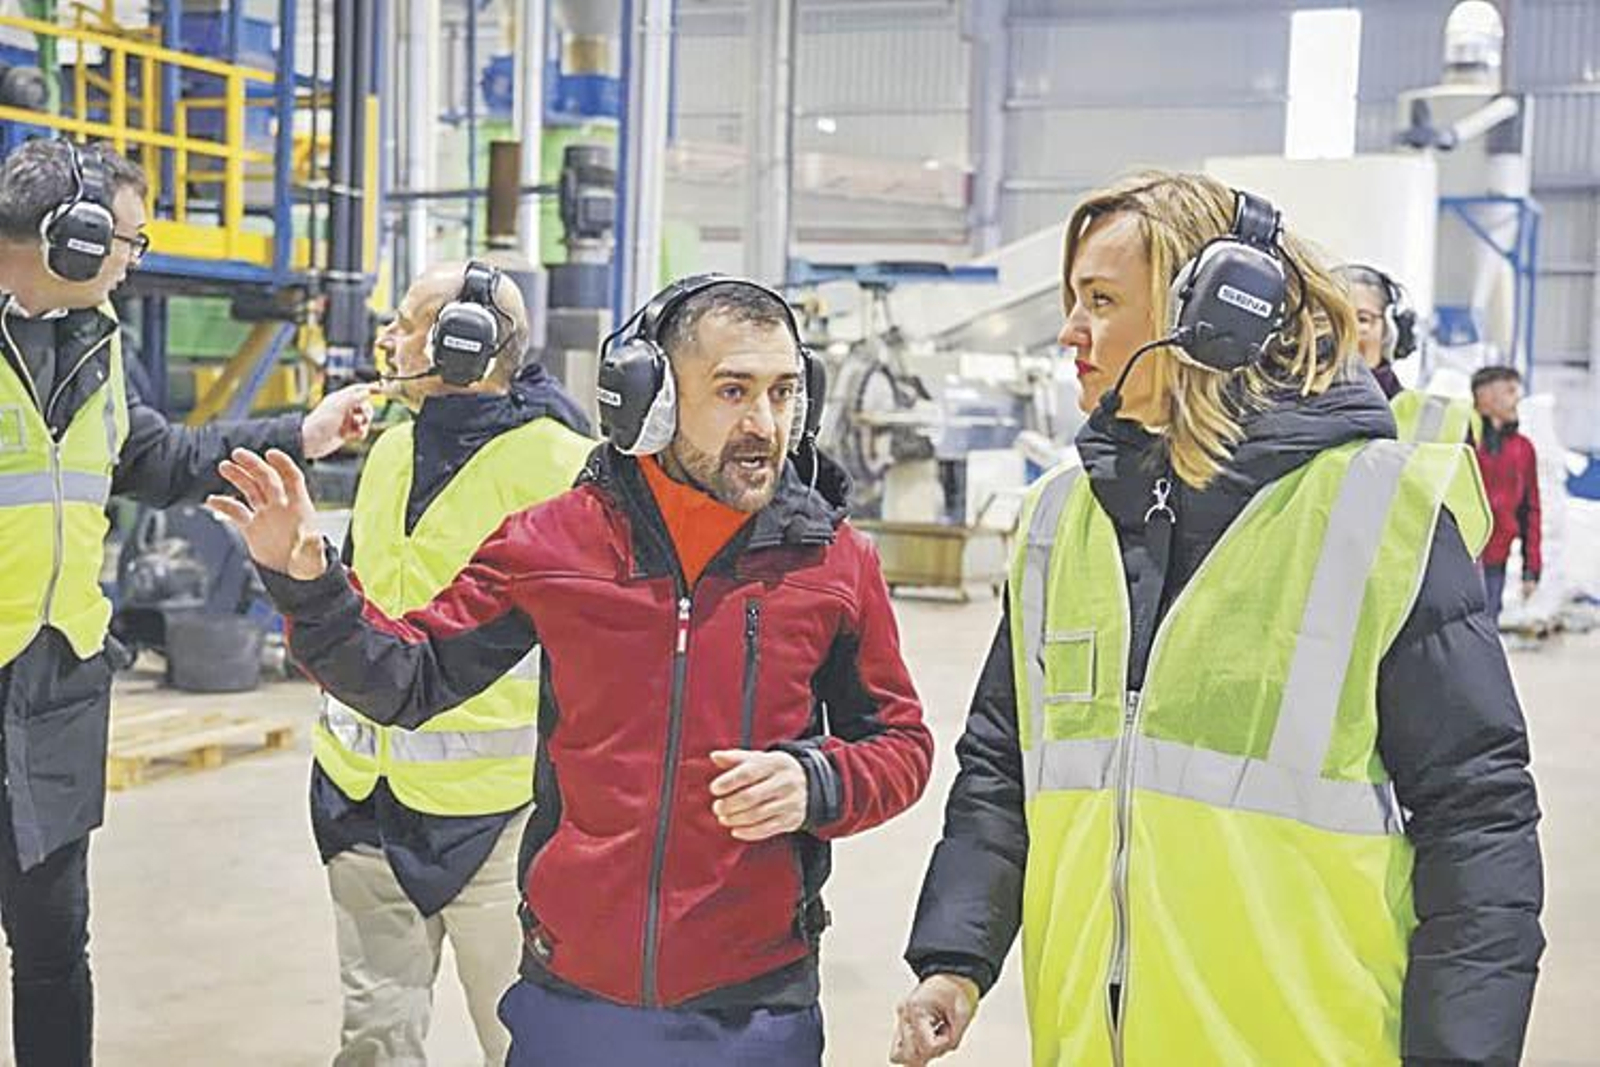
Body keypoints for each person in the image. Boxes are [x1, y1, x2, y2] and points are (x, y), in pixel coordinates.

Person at [892, 173, 1543, 1066]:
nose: (1071, 330)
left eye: (1101, 301)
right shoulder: (1057, 521)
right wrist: (955, 960)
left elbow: (1479, 819)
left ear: (1213, 317)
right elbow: (1002, 769)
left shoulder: (1374, 517)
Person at [208, 276, 934, 1067]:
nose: (765, 424)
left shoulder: (833, 563)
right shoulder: (555, 543)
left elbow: (900, 742)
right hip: (575, 995)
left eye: (784, 392)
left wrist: (818, 780)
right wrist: (309, 584)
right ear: (652, 397)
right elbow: (408, 677)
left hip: (756, 1005)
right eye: (733, 391)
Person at [0, 138, 374, 1066]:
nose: (135, 260)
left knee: (53, 947)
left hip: (54, 686)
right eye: (129, 239)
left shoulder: (92, 342)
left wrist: (301, 433)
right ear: (72, 238)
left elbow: (156, 458)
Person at [314, 260, 594, 1065]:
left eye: (406, 323)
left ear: (462, 344)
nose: (387, 338)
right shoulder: (391, 450)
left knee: (526, 1040)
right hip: (362, 799)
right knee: (374, 1037)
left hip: (502, 819)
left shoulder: (565, 466)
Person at [1342, 263, 1476, 443]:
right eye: (1324, 320)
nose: (1343, 333)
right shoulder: (1302, 413)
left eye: (1362, 319)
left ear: (1391, 333)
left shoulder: (1445, 420)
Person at [1471, 364, 1541, 623]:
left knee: (1487, 628)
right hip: (1461, 559)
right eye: (1510, 391)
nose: (1517, 399)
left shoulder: (1523, 449)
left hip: (1495, 564)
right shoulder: (1466, 443)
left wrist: (1531, 568)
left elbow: (1530, 510)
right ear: (1485, 397)